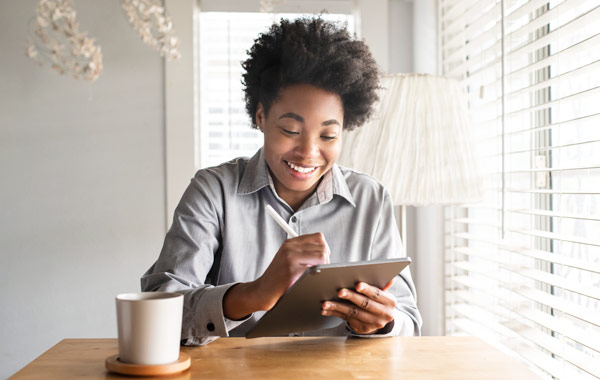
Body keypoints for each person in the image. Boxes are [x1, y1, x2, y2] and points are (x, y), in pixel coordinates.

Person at [141, 17, 422, 345]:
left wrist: (383, 323)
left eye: (328, 134)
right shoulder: (213, 192)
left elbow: (410, 323)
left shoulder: (370, 199)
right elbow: (160, 311)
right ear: (261, 116)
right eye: (291, 131)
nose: (308, 152)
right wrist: (256, 293)